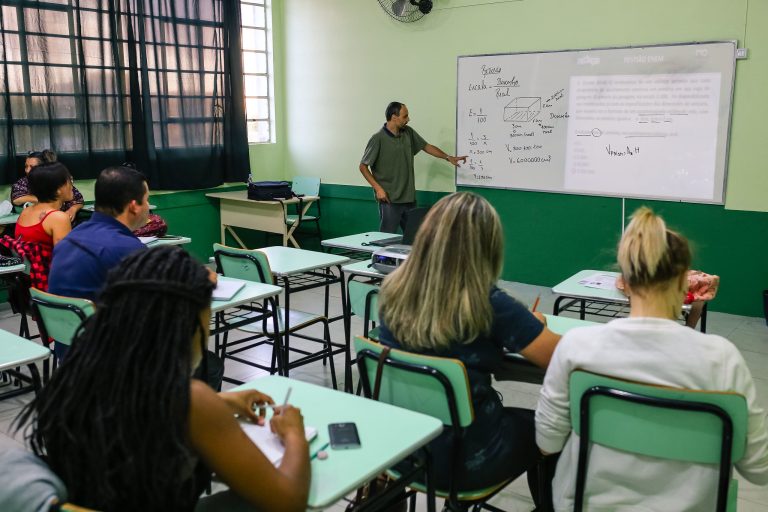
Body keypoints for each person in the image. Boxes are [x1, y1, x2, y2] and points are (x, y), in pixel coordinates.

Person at [15, 246, 311, 510]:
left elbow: (134, 410)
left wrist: (222, 400)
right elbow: (288, 501)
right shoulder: (192, 401)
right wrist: (294, 432)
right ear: (185, 325)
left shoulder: (79, 369)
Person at [535, 207, 768, 510]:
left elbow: (547, 441)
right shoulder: (722, 359)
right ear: (683, 282)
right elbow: (759, 469)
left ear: (624, 283)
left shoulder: (577, 346)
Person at [377, 192, 561, 501]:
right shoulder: (489, 304)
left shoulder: (392, 291)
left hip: (404, 450)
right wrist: (534, 325)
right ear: (487, 246)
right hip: (466, 459)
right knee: (554, 430)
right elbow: (560, 356)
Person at [359, 101, 467, 233]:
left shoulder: (408, 132)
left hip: (409, 199)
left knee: (414, 237)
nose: (408, 119)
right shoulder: (377, 139)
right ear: (394, 117)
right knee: (385, 239)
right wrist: (378, 189)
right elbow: (363, 167)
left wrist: (448, 157)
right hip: (389, 200)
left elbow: (426, 146)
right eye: (405, 116)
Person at [48, 165, 149, 301]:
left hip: (63, 321)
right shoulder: (130, 250)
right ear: (134, 206)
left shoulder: (69, 239)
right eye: (146, 199)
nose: (148, 206)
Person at [1, 162, 74, 291]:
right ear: (58, 189)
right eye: (69, 181)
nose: (72, 185)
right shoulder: (58, 217)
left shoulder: (26, 212)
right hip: (51, 286)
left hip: (29, 285)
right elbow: (64, 261)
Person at [11, 150, 84, 221]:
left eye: (32, 167)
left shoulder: (58, 181)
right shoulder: (23, 183)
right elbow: (17, 199)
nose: (27, 170)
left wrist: (73, 209)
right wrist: (46, 199)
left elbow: (78, 199)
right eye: (26, 166)